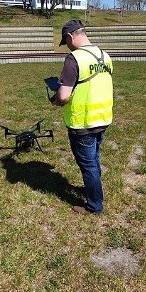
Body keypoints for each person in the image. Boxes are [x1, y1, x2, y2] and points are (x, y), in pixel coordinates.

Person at [51, 19, 114, 215]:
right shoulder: (105, 55)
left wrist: (55, 100)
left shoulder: (74, 59)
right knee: (94, 160)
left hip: (83, 122)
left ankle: (94, 206)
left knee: (88, 164)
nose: (67, 46)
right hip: (103, 118)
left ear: (70, 37)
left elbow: (63, 96)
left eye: (66, 42)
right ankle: (95, 191)